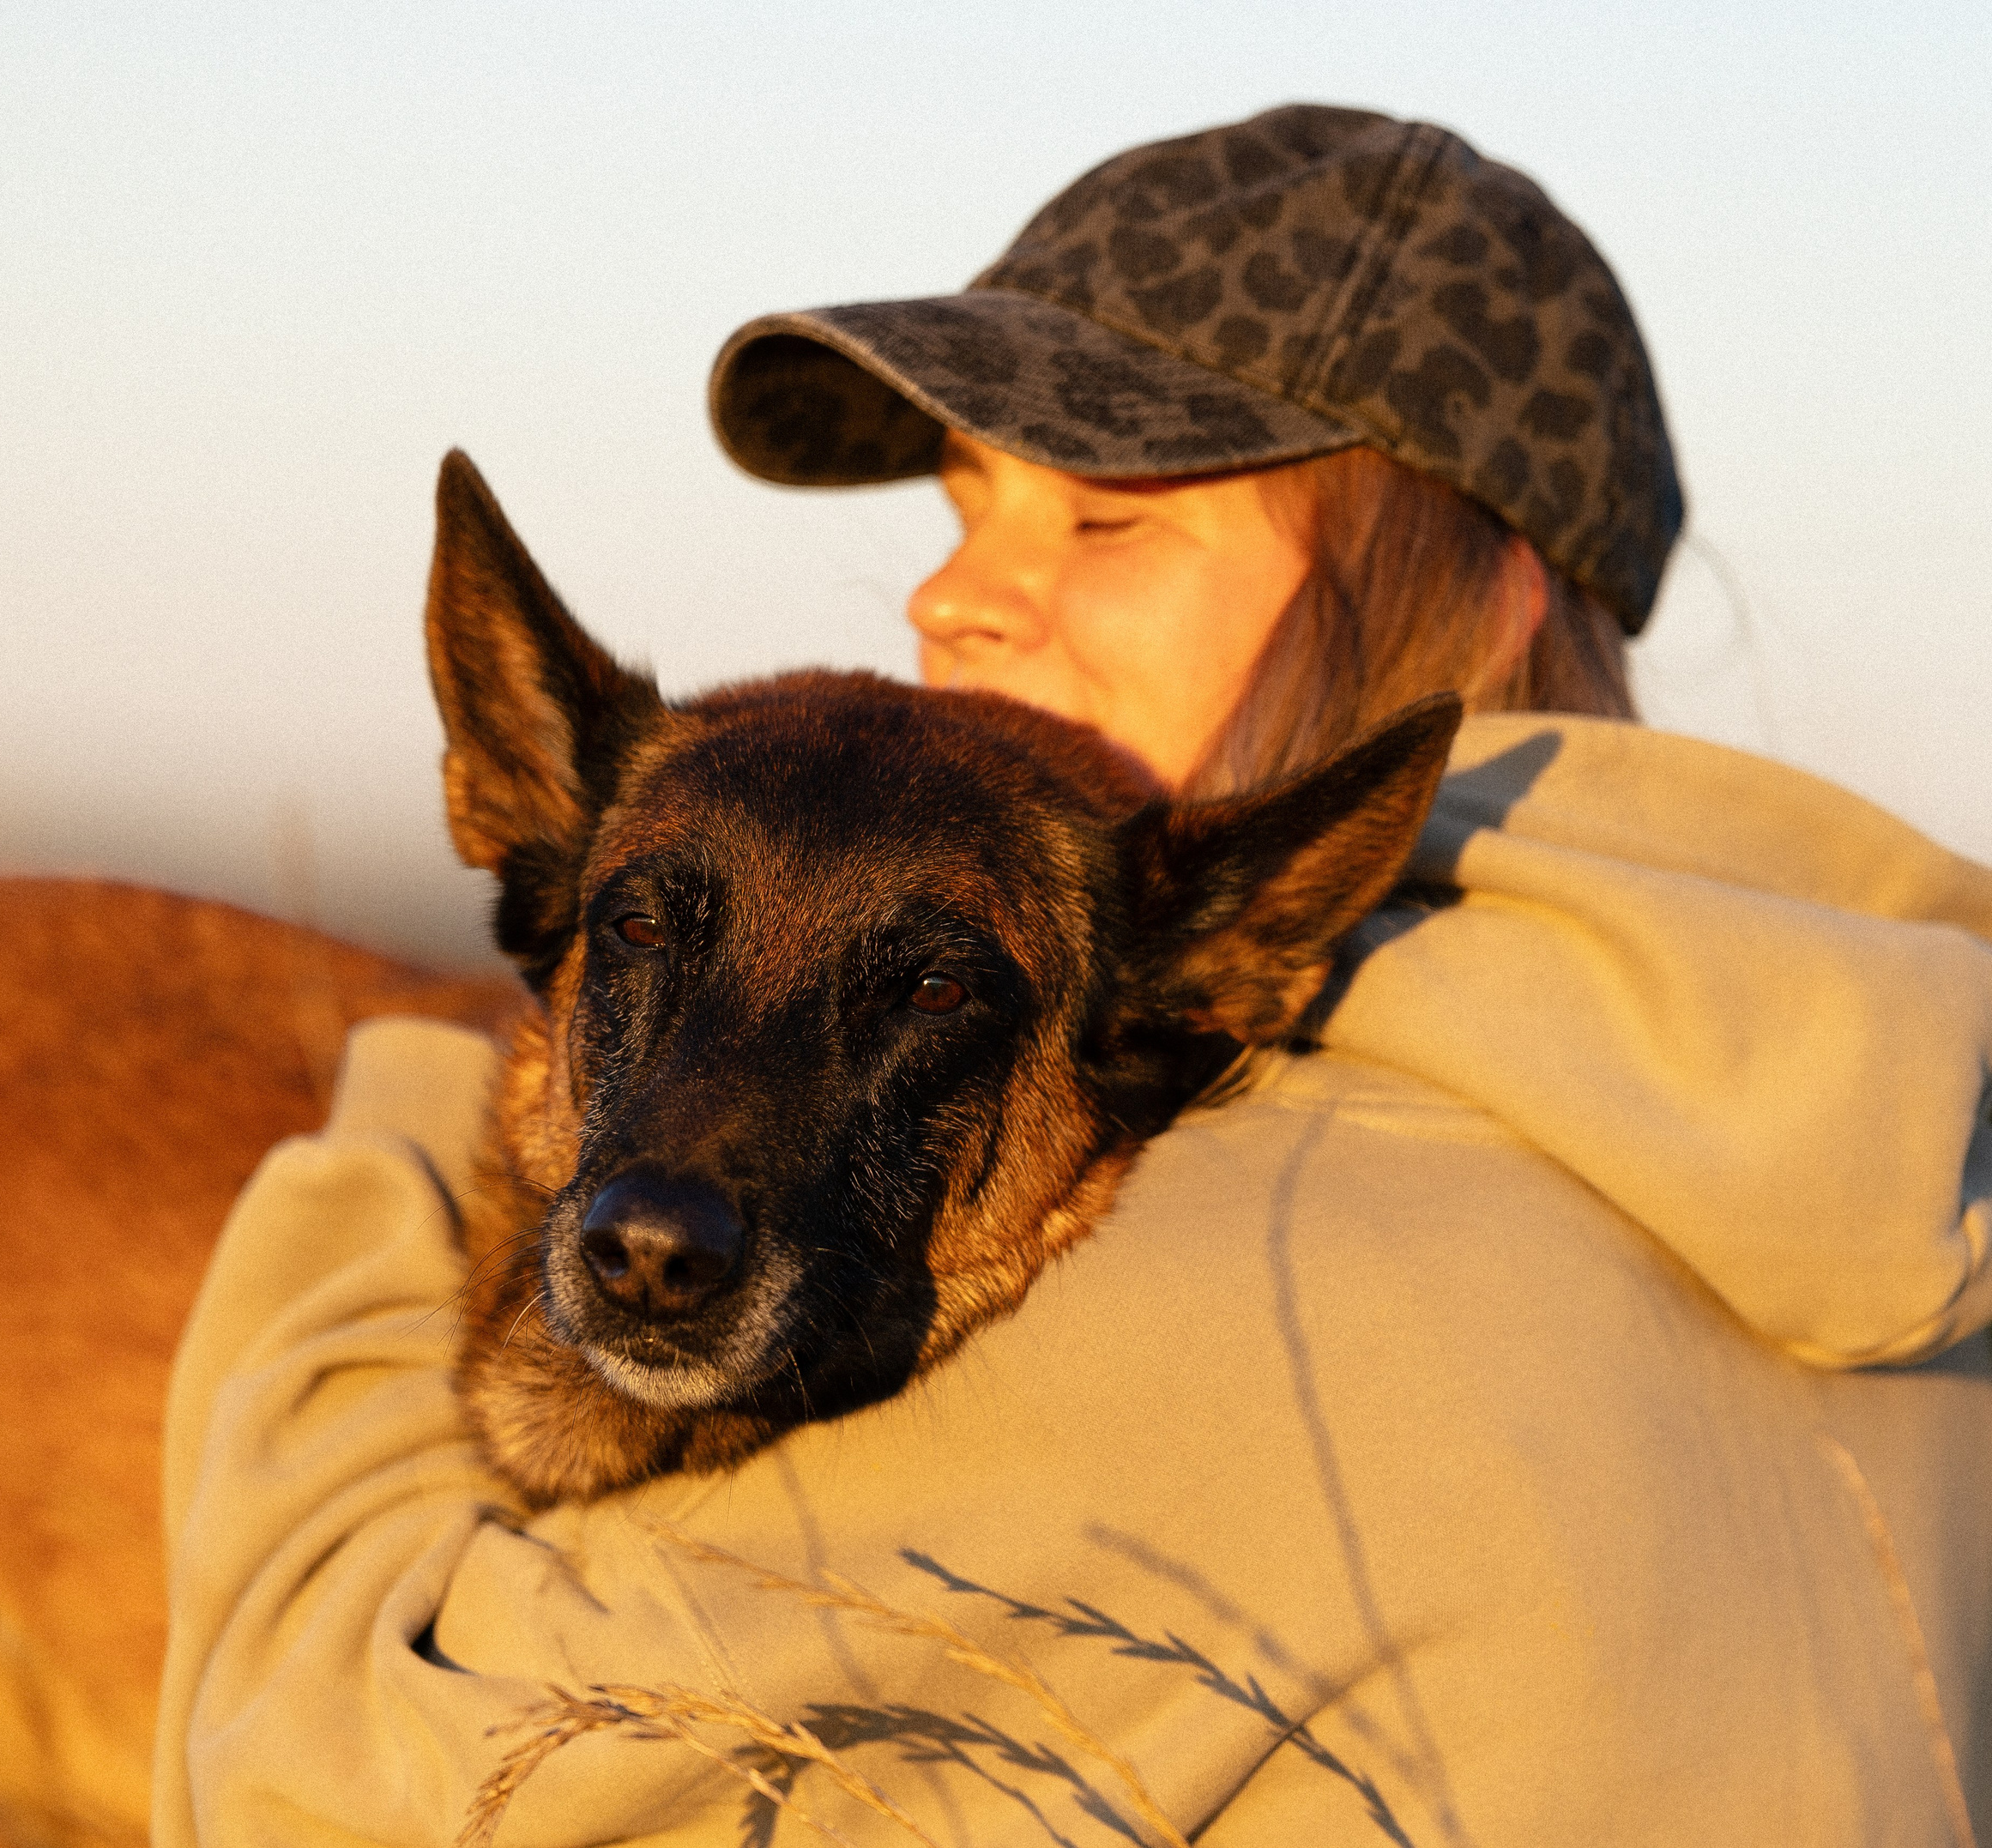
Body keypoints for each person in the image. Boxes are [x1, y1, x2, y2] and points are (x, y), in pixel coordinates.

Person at [155, 106, 1992, 1845]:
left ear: (1478, 596)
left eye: (1107, 524)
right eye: (966, 507)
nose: (946, 600)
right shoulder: (1885, 1125)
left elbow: (337, 1786)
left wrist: (384, 1139)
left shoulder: (1247, 1266)